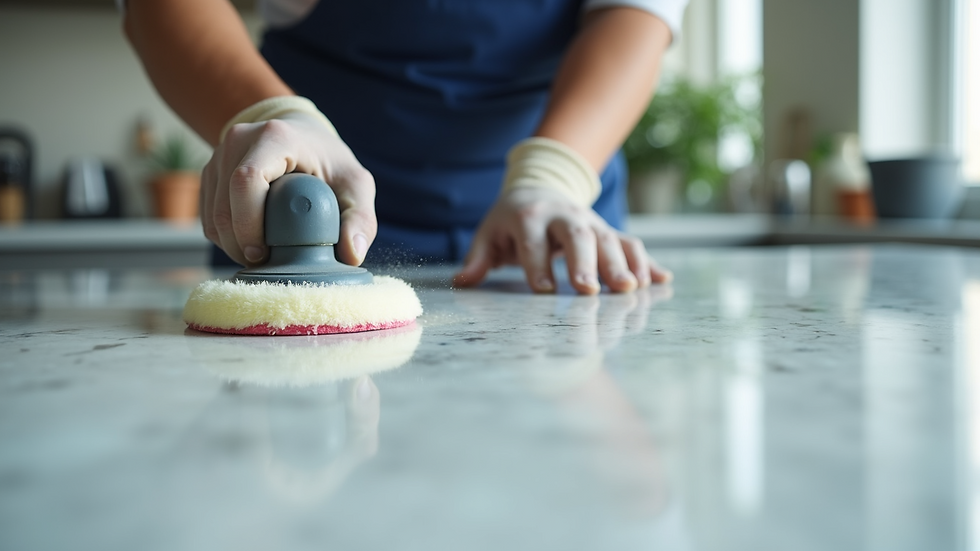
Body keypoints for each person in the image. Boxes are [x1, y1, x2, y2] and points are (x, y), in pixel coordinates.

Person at [123, 0, 686, 294]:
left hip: (555, 224)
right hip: (304, 200)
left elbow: (637, 14)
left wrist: (552, 175)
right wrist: (277, 115)